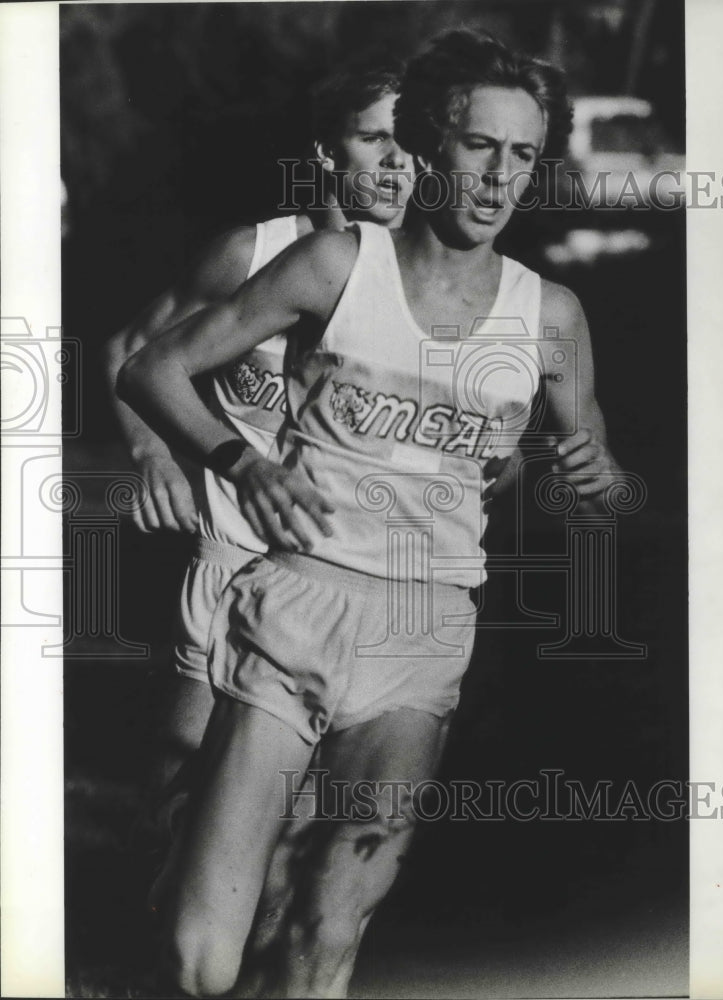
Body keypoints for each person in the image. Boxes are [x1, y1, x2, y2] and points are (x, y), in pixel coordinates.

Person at [119, 28, 620, 998]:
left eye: (523, 155)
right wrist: (235, 461)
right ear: (431, 147)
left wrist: (587, 475)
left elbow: (579, 461)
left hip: (425, 634)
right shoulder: (329, 266)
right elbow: (152, 364)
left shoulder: (549, 315)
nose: (498, 178)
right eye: (480, 147)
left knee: (329, 918)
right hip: (295, 606)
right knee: (202, 956)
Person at [103, 54, 414, 815]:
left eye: (417, 144)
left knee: (303, 828)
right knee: (182, 797)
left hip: (354, 582)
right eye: (376, 139)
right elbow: (129, 349)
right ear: (326, 154)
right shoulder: (254, 253)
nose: (401, 164)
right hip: (233, 555)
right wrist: (153, 454)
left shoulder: (431, 282)